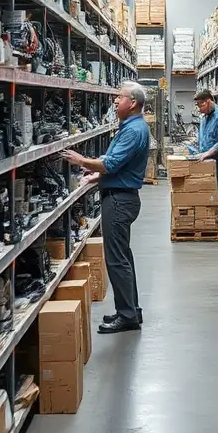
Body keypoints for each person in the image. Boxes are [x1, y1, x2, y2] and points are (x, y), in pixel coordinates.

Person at [63, 81, 150, 334]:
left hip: (119, 200)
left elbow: (111, 164)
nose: (114, 101)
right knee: (124, 257)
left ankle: (127, 316)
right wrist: (96, 174)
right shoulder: (130, 127)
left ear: (132, 103)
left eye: (119, 97)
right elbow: (116, 164)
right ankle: (131, 309)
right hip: (121, 196)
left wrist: (81, 160)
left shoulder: (134, 130)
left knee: (116, 260)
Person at [193, 88, 218, 232]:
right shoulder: (205, 116)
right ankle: (206, 222)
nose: (199, 109)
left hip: (217, 162)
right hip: (205, 159)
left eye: (200, 105)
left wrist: (207, 153)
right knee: (204, 191)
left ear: (208, 101)